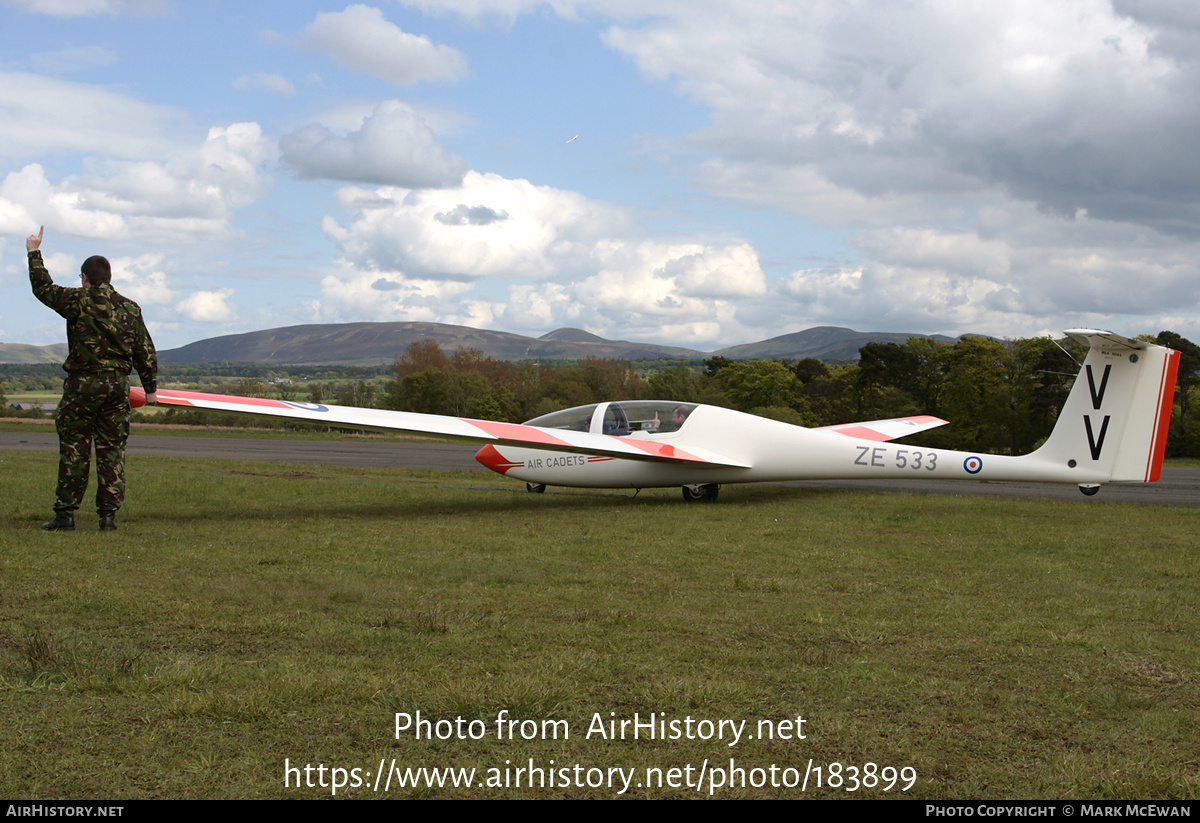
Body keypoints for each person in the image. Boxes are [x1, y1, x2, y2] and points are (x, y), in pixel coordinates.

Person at [27, 227, 158, 532]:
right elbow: (145, 351)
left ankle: (66, 515)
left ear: (85, 277)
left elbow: (43, 289)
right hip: (116, 387)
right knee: (112, 449)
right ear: (108, 278)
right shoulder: (129, 308)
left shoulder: (78, 301)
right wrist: (150, 388)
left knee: (75, 447)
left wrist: (34, 253)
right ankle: (108, 516)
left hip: (82, 386)